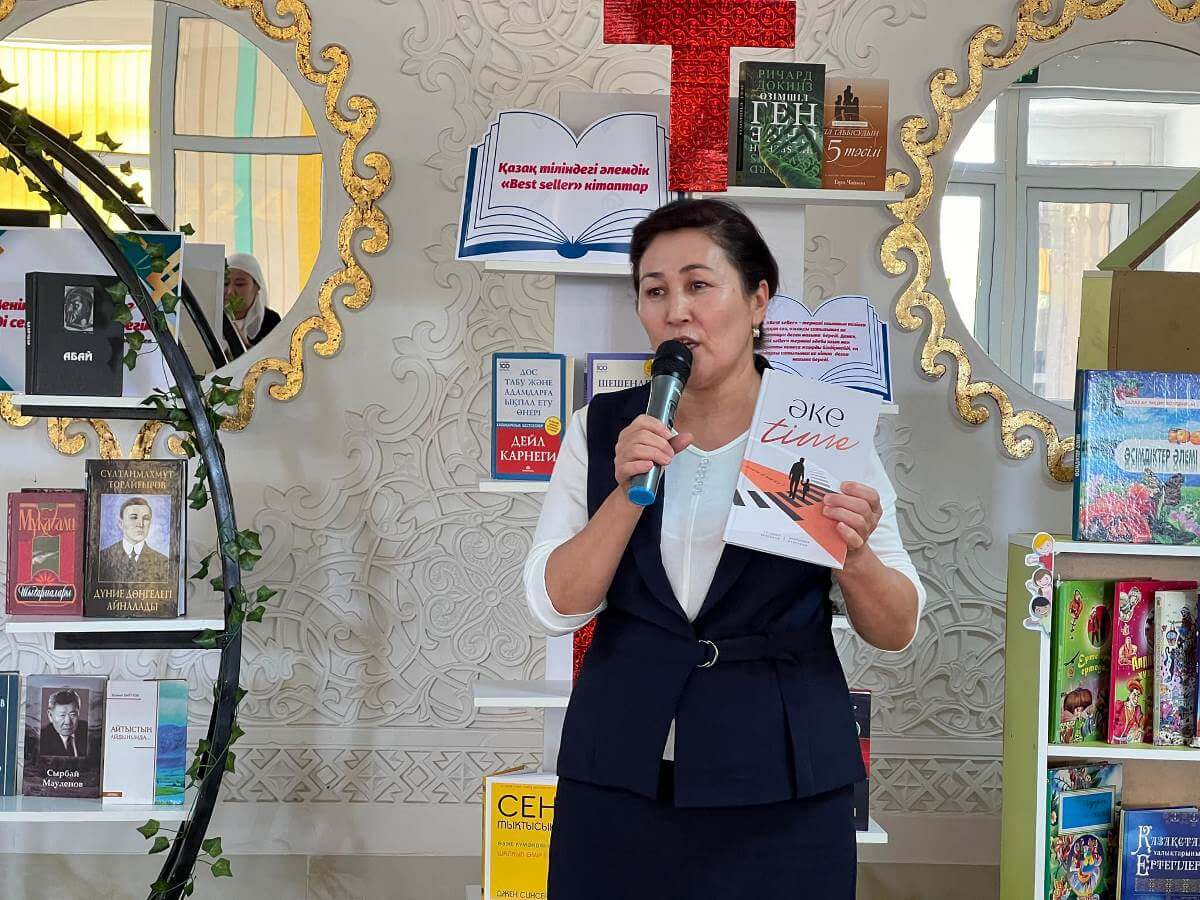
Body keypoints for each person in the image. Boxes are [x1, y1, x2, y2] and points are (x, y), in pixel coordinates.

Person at [523, 198, 924, 898]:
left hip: (784, 781)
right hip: (619, 771)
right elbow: (554, 606)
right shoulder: (601, 426)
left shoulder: (820, 430)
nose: (676, 311)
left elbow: (896, 628)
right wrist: (625, 492)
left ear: (758, 300)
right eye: (655, 291)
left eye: (699, 285)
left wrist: (855, 557)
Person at [223, 252, 281, 360]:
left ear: (257, 286)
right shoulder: (213, 318)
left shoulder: (270, 321)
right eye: (225, 283)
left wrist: (245, 345)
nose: (230, 291)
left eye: (239, 284)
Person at [98, 497, 170, 584]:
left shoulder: (163, 562)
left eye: (146, 518)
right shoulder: (102, 558)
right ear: (121, 524)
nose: (141, 524)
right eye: (133, 517)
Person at [39, 689, 91, 760]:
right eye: (62, 715)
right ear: (50, 715)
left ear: (78, 713)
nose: (68, 722)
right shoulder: (41, 740)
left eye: (72, 715)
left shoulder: (89, 732)